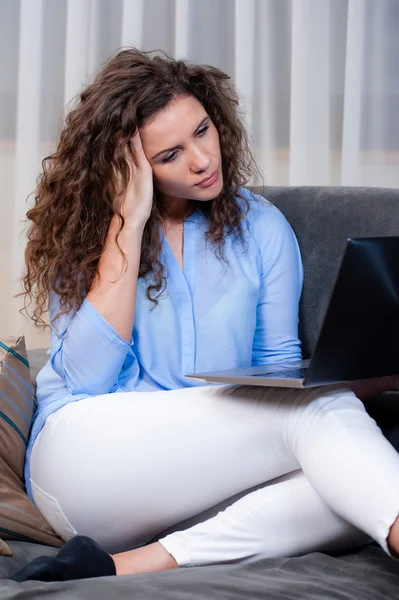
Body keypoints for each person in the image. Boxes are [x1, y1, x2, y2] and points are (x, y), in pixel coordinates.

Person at [16, 47, 399, 582]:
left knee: (348, 493)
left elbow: (281, 373)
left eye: (201, 131)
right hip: (85, 460)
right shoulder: (88, 238)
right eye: (168, 155)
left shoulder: (261, 226)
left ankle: (125, 566)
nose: (201, 159)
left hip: (194, 481)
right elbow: (87, 379)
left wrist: (381, 376)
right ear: (128, 169)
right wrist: (127, 222)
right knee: (325, 422)